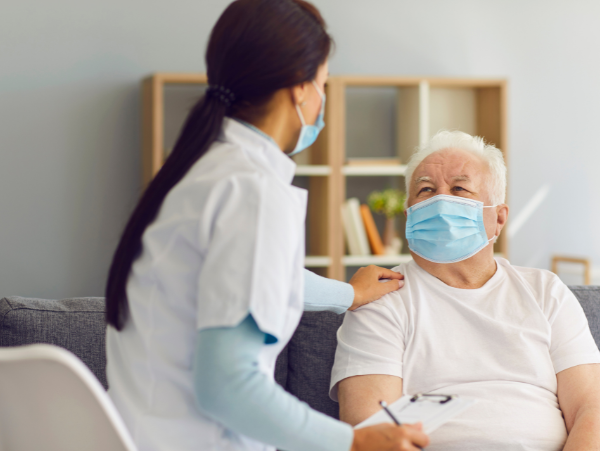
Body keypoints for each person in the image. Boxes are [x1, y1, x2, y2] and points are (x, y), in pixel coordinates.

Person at [104, 1, 428, 451]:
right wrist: (355, 442)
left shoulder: (199, 174)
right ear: (300, 89)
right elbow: (228, 387)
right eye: (324, 84)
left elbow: (245, 277)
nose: (323, 100)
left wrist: (347, 295)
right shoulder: (253, 192)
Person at [330, 130, 600, 451]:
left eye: (459, 188)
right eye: (425, 190)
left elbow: (591, 409)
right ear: (408, 215)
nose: (440, 201)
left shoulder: (546, 291)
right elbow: (370, 428)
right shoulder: (380, 297)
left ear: (498, 218)